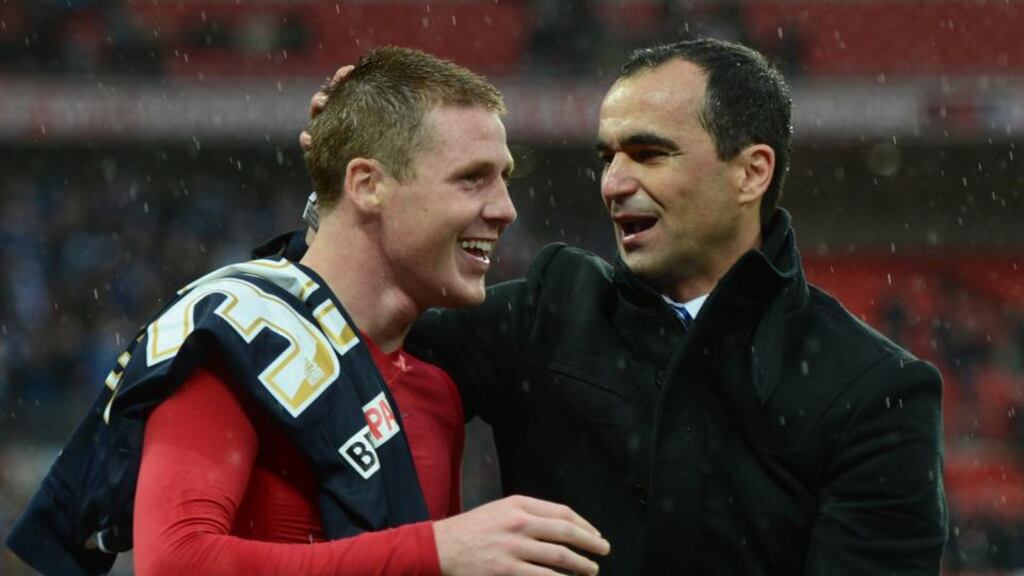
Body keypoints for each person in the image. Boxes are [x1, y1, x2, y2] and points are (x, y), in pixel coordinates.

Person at [298, 39, 948, 574]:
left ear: (750, 172)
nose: (614, 183)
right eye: (608, 157)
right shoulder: (549, 311)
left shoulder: (875, 392)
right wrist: (344, 197)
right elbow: (338, 329)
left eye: (649, 154)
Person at [6, 46, 609, 576]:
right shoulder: (242, 337)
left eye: (504, 179)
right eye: (472, 179)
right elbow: (177, 564)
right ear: (368, 185)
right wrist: (436, 551)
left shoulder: (440, 388)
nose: (505, 209)